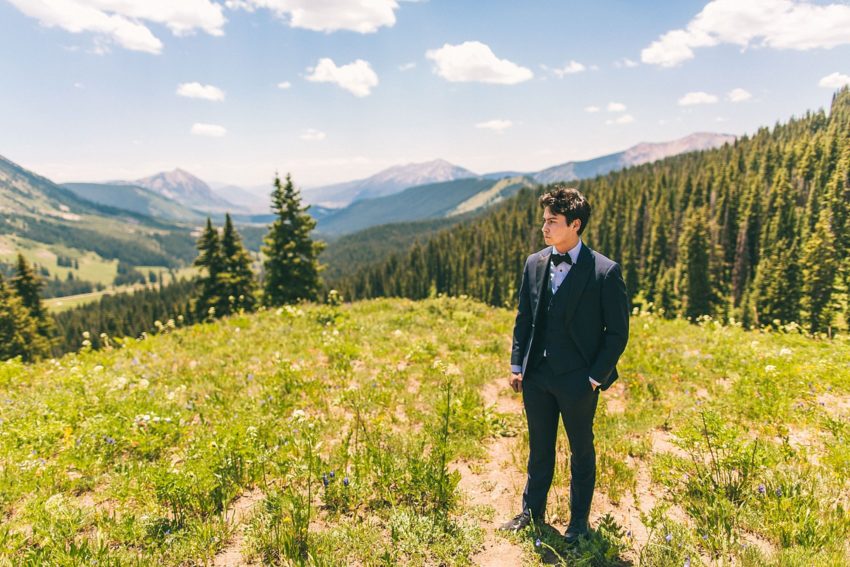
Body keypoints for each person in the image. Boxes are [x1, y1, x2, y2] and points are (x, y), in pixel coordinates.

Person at [499, 186, 629, 544]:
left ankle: (578, 524)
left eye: (552, 221)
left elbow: (617, 334)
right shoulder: (534, 262)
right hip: (538, 377)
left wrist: (592, 378)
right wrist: (517, 365)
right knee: (539, 448)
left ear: (575, 224)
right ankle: (531, 513)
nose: (544, 227)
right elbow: (524, 318)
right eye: (544, 220)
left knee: (581, 451)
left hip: (578, 381)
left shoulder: (604, 272)